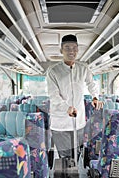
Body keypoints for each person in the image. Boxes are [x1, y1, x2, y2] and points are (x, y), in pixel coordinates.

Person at [46, 34, 103, 168]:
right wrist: (67, 107)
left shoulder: (83, 69)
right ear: (61, 50)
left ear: (78, 50)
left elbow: (91, 84)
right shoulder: (53, 71)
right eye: (67, 48)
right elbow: (53, 95)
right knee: (66, 158)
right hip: (60, 123)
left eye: (74, 48)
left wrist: (95, 97)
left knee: (76, 154)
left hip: (79, 122)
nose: (71, 51)